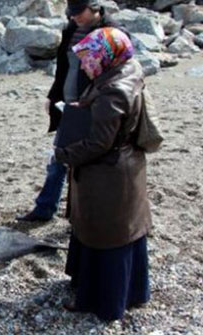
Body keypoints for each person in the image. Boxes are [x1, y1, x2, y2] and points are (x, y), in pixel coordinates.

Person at [55, 27, 151, 321]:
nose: (84, 65)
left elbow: (98, 144)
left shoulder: (113, 91)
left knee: (104, 236)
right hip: (127, 167)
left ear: (105, 56)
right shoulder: (128, 69)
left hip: (109, 175)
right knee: (126, 233)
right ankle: (132, 291)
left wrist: (62, 155)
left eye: (88, 58)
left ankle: (102, 302)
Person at [17, 0, 121, 222]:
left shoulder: (111, 33)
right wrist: (54, 96)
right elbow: (63, 68)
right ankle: (45, 209)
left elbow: (115, 74)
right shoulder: (71, 29)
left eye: (78, 12)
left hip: (94, 107)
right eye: (71, 13)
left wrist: (94, 101)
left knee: (88, 164)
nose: (74, 17)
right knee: (59, 158)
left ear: (95, 7)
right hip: (68, 104)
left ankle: (81, 214)